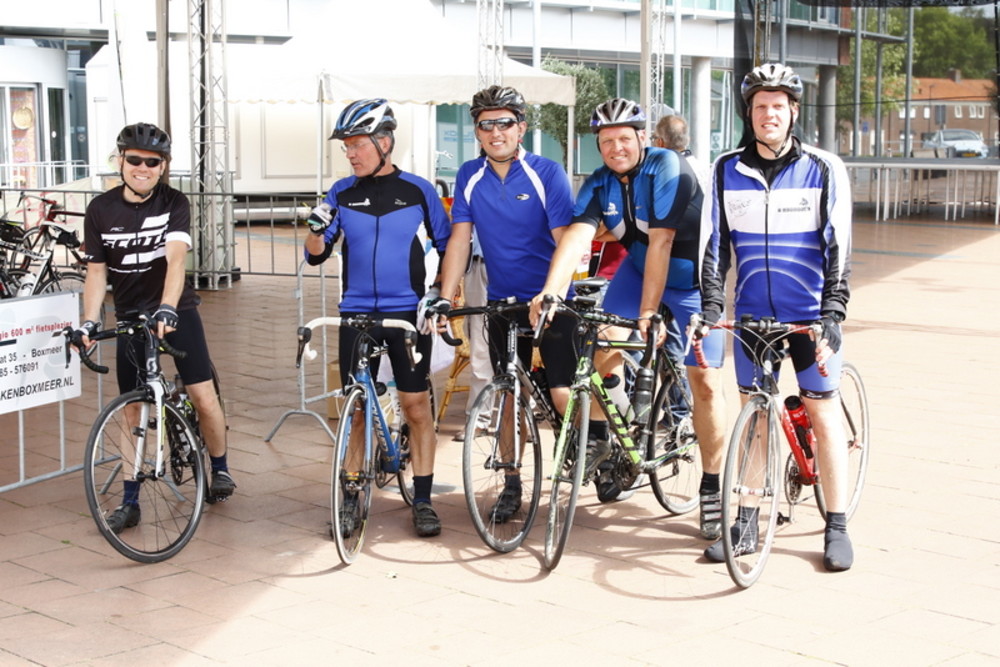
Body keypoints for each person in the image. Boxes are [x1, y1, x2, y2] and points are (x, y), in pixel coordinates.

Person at [531, 99, 727, 539]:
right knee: (599, 341)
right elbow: (577, 237)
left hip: (692, 280)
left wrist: (647, 312)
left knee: (706, 382)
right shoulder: (599, 182)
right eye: (606, 141)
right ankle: (604, 435)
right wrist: (550, 291)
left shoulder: (667, 166)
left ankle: (713, 486)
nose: (615, 147)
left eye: (624, 138)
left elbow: (662, 242)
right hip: (638, 272)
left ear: (643, 137)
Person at [699, 63, 854, 571]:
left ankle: (836, 524)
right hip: (752, 318)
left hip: (808, 316)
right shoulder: (725, 169)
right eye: (761, 106)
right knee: (755, 421)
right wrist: (711, 309)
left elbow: (838, 245)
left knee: (822, 414)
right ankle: (746, 522)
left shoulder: (823, 168)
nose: (770, 114)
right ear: (749, 113)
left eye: (779, 106)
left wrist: (832, 313)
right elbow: (714, 247)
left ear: (793, 112)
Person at [72, 122, 235, 533]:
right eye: (135, 160)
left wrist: (167, 308)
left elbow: (176, 259)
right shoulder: (100, 209)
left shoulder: (173, 202)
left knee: (203, 396)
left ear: (163, 166)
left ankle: (220, 468)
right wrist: (89, 321)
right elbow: (96, 272)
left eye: (152, 162)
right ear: (120, 161)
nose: (142, 168)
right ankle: (130, 501)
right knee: (133, 410)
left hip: (175, 309)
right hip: (130, 316)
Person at [304, 99, 451, 538]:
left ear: (385, 142)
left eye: (358, 144)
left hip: (406, 312)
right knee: (357, 408)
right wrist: (314, 231)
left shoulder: (419, 191)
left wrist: (439, 295)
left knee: (415, 405)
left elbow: (449, 247)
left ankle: (422, 500)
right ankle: (351, 495)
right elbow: (316, 256)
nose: (350, 153)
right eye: (346, 146)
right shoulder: (341, 192)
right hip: (355, 314)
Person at [431, 85, 576, 523]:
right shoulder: (470, 175)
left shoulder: (546, 172)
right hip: (502, 302)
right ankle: (512, 482)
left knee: (561, 391)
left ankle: (591, 443)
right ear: (476, 132)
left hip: (550, 299)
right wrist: (444, 298)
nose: (496, 132)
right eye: (486, 125)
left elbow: (565, 242)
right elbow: (460, 239)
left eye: (505, 123)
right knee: (507, 392)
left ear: (521, 128)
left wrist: (550, 293)